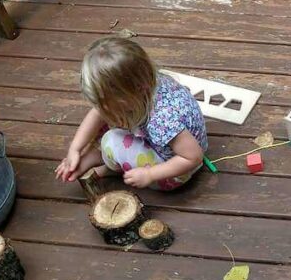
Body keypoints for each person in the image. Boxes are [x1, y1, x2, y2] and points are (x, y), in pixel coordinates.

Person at [55, 36, 208, 191]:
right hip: (167, 143)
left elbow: (193, 158)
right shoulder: (145, 83)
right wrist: (74, 149)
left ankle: (110, 163)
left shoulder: (162, 119)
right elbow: (98, 113)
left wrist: (150, 174)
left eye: (106, 102)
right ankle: (101, 160)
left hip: (175, 171)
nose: (102, 108)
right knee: (109, 117)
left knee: (111, 141)